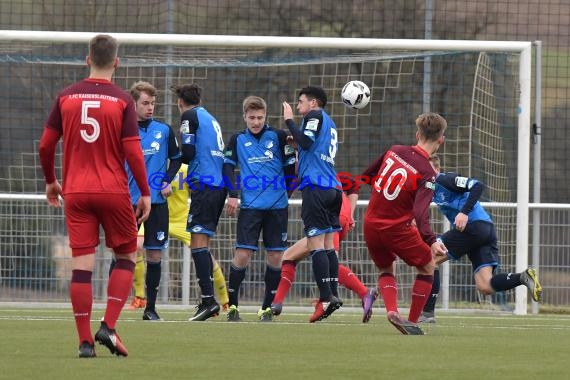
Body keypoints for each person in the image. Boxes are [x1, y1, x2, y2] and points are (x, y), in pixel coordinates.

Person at [38, 34, 151, 357]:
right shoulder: (121, 101)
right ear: (116, 62)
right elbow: (133, 151)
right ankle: (109, 326)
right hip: (113, 190)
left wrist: (51, 181)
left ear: (87, 60)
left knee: (82, 268)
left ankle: (85, 342)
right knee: (127, 256)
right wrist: (144, 192)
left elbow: (46, 145)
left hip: (76, 192)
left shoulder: (66, 97)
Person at [419, 155, 543, 323]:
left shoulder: (447, 179)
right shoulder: (429, 188)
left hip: (474, 227)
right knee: (485, 286)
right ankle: (523, 277)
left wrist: (464, 212)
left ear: (437, 170)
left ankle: (427, 314)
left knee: (429, 258)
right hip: (484, 230)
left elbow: (477, 185)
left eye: (428, 169)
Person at [362, 112, 448, 335]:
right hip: (396, 228)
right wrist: (431, 240)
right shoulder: (427, 172)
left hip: (371, 223)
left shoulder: (395, 150)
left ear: (417, 134)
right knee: (428, 264)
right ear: (441, 139)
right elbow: (421, 214)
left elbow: (368, 176)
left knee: (385, 268)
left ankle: (392, 311)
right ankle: (411, 321)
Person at [223, 96, 296, 322]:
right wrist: (233, 195)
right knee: (242, 255)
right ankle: (233, 306)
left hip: (277, 209)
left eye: (260, 117)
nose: (256, 121)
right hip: (251, 208)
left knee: (275, 256)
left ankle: (266, 309)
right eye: (252, 117)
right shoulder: (237, 140)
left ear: (266, 116)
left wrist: (286, 194)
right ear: (244, 116)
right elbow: (227, 168)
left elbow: (291, 170)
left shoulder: (279, 137)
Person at [270, 178, 379, 323]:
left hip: (328, 210)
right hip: (341, 213)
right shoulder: (330, 172)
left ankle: (358, 294)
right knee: (317, 256)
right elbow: (354, 185)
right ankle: (281, 302)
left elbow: (290, 184)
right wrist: (351, 214)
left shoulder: (309, 169)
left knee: (294, 256)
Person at [120, 81, 182, 321]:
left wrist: (167, 180)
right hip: (128, 203)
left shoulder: (164, 130)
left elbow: (176, 159)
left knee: (154, 255)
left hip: (156, 202)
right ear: (133, 104)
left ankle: (151, 308)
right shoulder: (122, 129)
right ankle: (114, 305)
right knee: (124, 253)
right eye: (145, 103)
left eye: (153, 103)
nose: (150, 107)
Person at [131, 163, 230, 311]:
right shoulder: (155, 165)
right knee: (137, 245)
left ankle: (224, 301)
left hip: (180, 219)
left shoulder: (184, 169)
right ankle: (140, 298)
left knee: (204, 253)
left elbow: (198, 188)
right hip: (156, 214)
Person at [282, 86, 343, 322]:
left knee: (315, 243)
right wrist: (297, 141)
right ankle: (334, 293)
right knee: (328, 245)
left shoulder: (314, 116)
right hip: (333, 188)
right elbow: (311, 146)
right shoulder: (330, 123)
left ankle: (326, 297)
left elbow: (307, 142)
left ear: (313, 103)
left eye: (301, 102)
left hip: (316, 186)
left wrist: (290, 122)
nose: (298, 107)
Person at [173, 83, 228, 321]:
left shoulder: (188, 115)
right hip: (218, 185)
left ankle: (208, 301)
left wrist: (170, 155)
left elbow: (187, 152)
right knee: (201, 243)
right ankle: (209, 300)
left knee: (197, 243)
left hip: (204, 184)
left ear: (179, 103)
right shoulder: (210, 118)